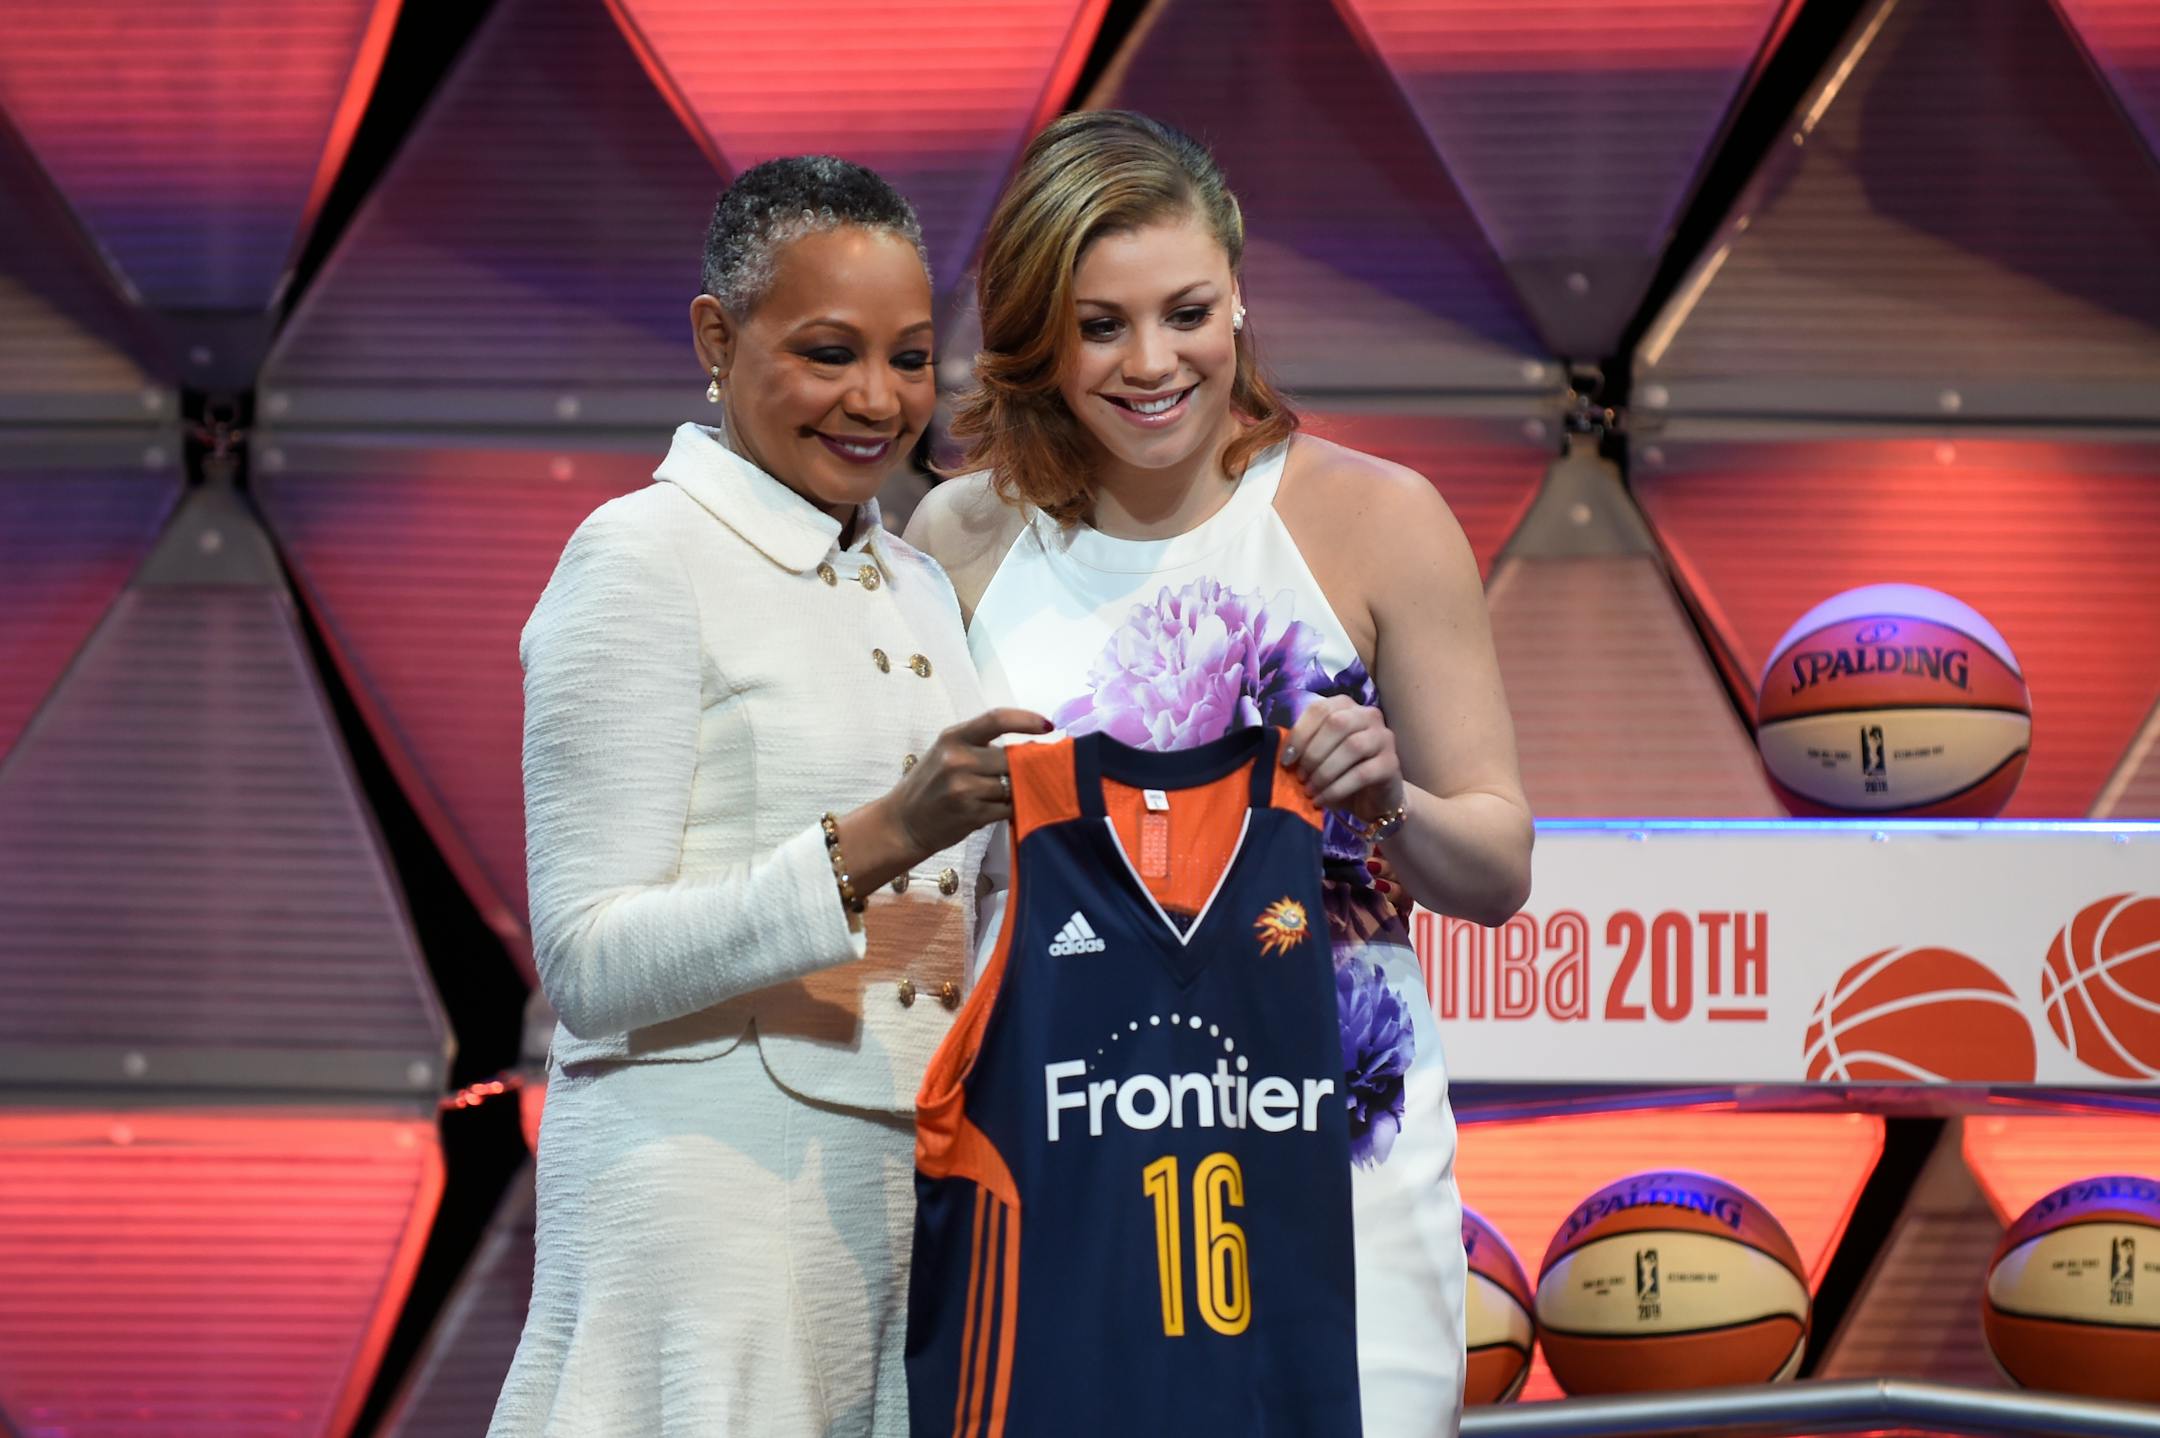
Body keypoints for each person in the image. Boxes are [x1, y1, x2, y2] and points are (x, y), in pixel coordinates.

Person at [906, 111, 1534, 1436]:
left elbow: (1497, 868)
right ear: (1037, 334)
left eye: (1186, 310)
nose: (1152, 363)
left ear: (1240, 291)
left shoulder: (1380, 520)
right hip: (1056, 1174)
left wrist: (1391, 800)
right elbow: (927, 898)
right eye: (1099, 325)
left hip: (1336, 1178)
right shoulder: (957, 540)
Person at [491, 155, 1046, 1438]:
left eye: (910, 359)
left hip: (907, 1198)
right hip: (703, 1208)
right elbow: (586, 958)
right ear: (716, 334)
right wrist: (883, 837)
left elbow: (959, 920)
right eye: (828, 351)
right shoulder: (641, 555)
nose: (878, 399)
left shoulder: (914, 583)